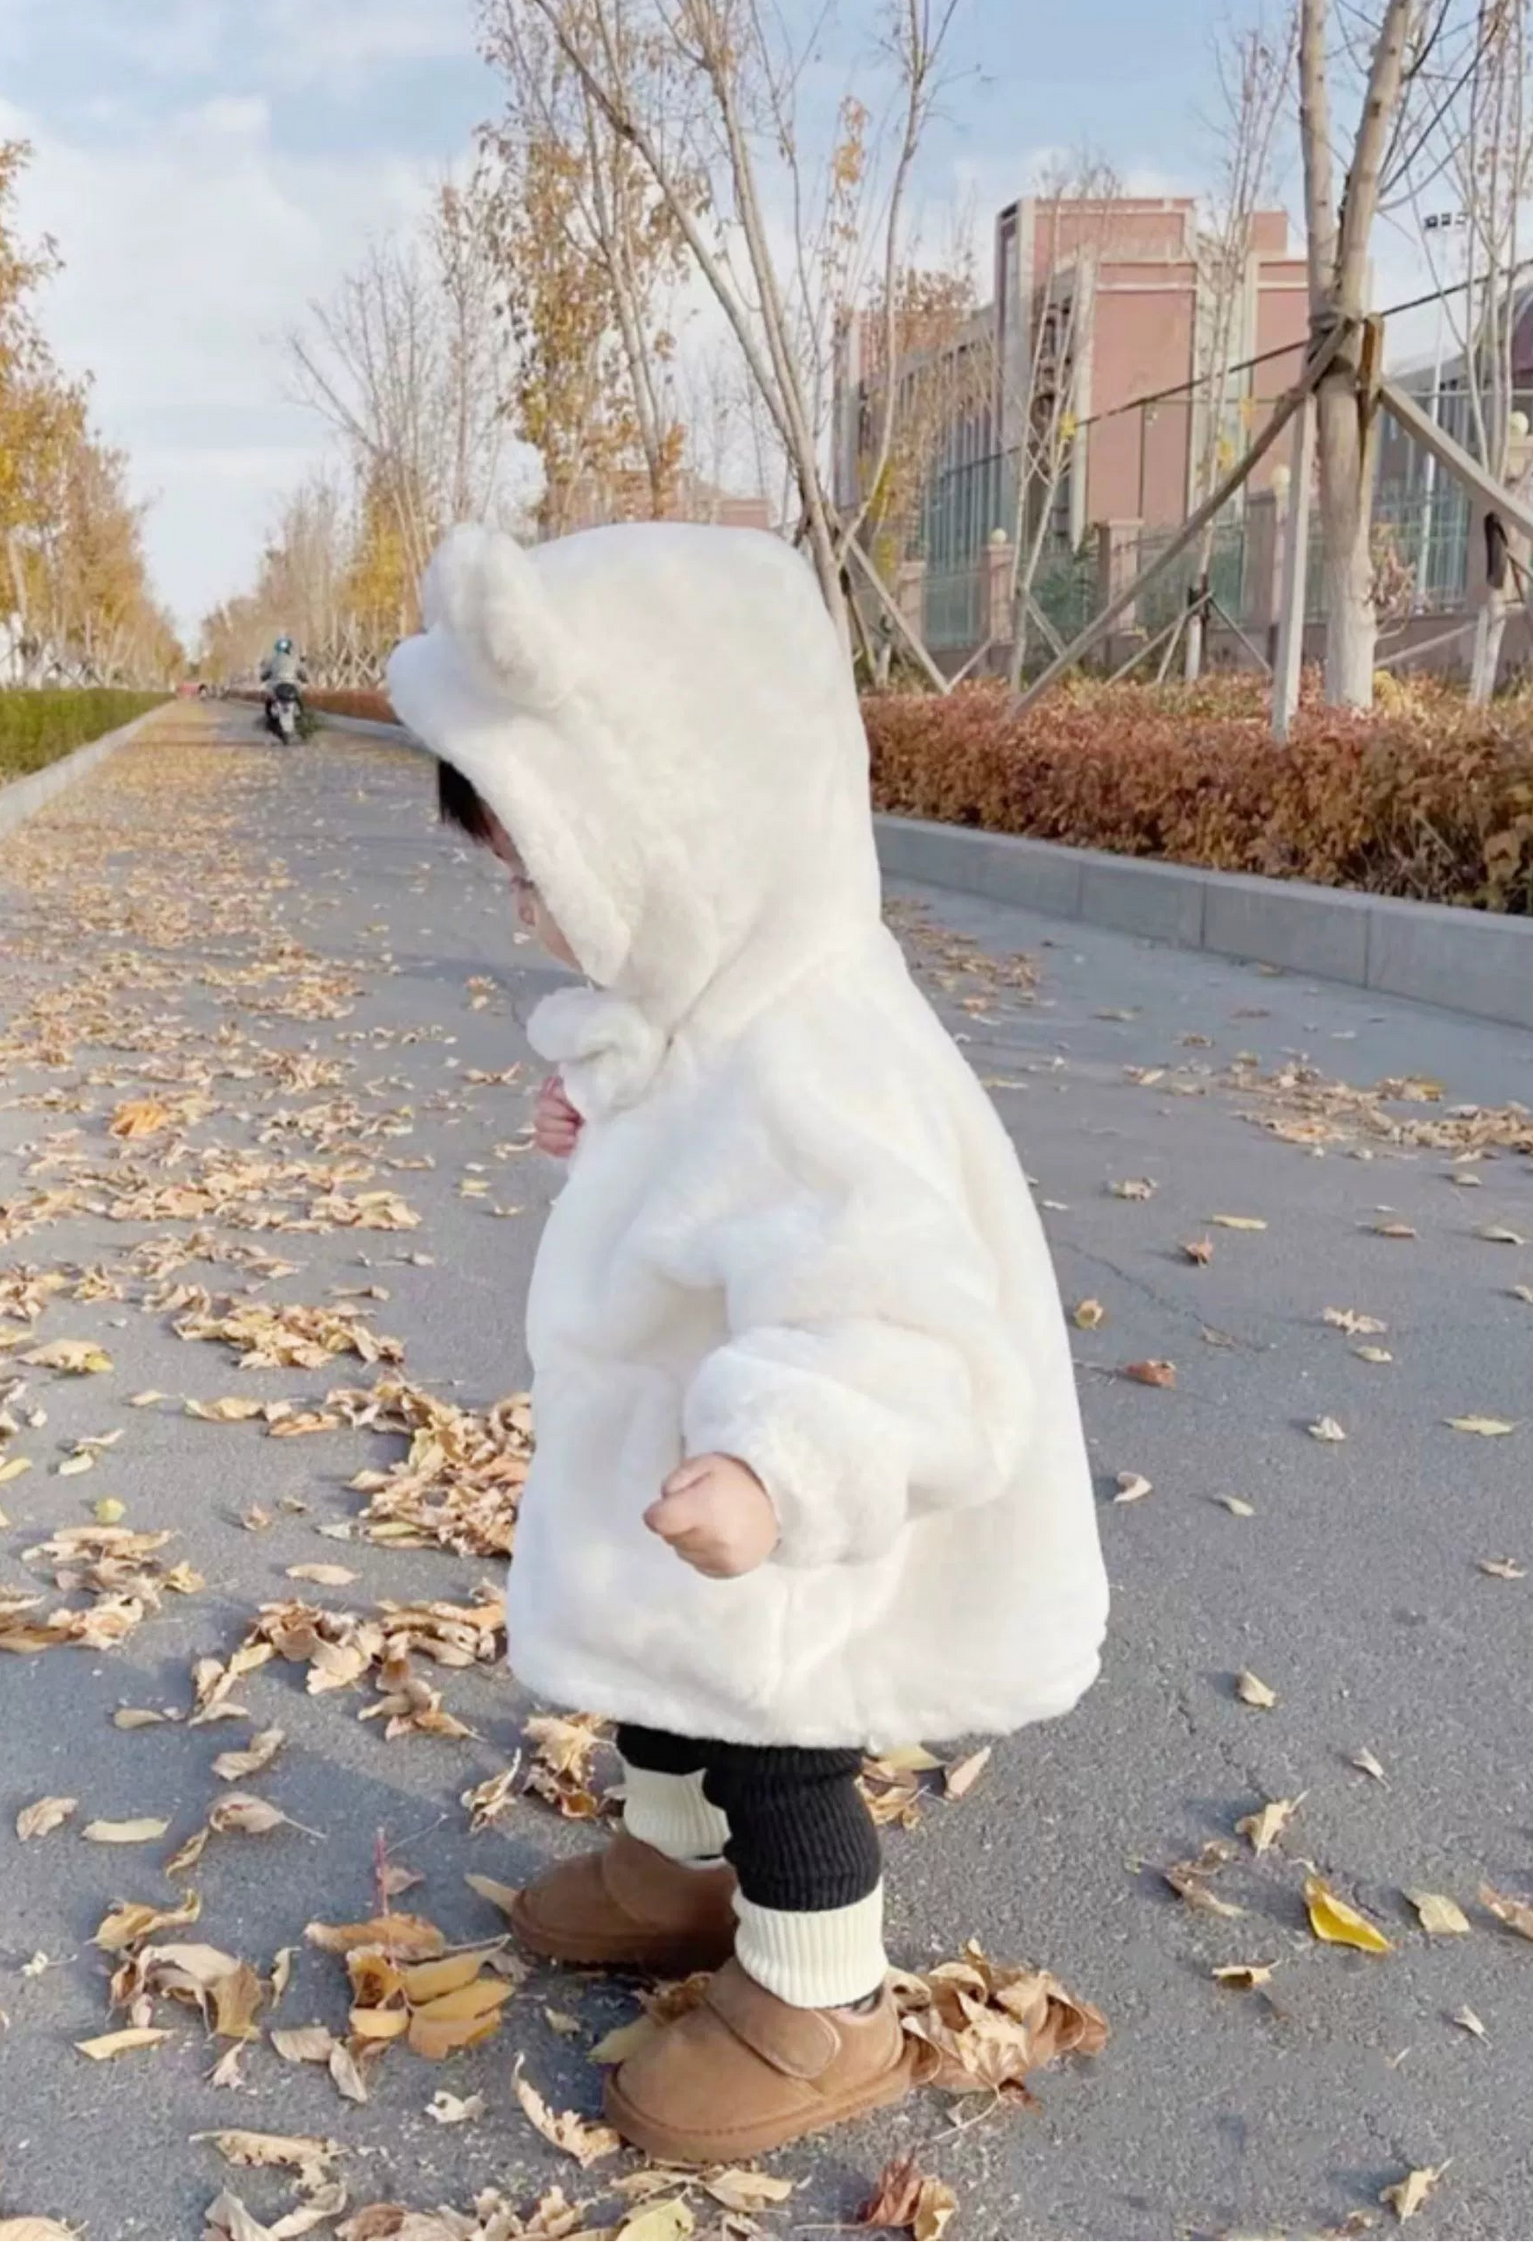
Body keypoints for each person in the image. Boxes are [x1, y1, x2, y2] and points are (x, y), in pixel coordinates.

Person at [387, 523, 1107, 2165]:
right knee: (667, 1691)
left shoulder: (809, 1052)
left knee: (779, 1745)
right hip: (685, 1463)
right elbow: (701, 1172)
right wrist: (606, 1115)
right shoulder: (717, 1003)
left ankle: (819, 2004)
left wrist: (780, 1471)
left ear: (679, 837)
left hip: (781, 1488)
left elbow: (895, 1306)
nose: (525, 912)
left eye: (539, 872)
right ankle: (670, 1870)